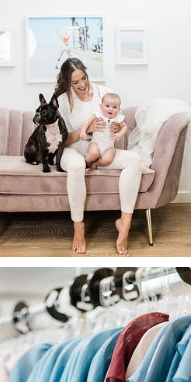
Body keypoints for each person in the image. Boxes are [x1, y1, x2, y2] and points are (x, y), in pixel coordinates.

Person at [54, 58, 147, 255]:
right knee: (78, 166)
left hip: (102, 150)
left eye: (84, 78)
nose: (81, 85)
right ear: (67, 82)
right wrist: (86, 131)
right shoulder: (63, 101)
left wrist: (115, 128)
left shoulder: (104, 93)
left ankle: (125, 223)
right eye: (75, 82)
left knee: (134, 160)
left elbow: (120, 122)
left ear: (87, 73)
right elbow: (59, 139)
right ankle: (78, 227)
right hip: (74, 151)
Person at [83, 91, 126, 169]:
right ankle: (87, 163)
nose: (110, 109)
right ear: (101, 106)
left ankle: (96, 164)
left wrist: (120, 134)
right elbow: (87, 121)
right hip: (96, 143)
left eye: (114, 107)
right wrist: (83, 131)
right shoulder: (99, 114)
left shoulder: (118, 118)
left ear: (119, 109)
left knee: (107, 160)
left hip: (109, 146)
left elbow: (124, 127)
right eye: (107, 106)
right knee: (93, 154)